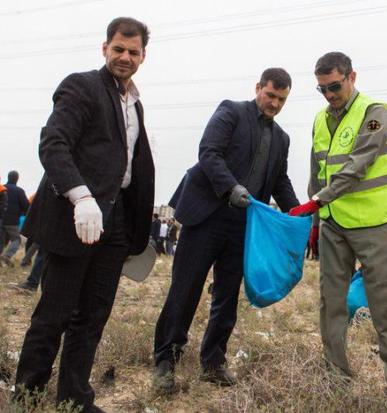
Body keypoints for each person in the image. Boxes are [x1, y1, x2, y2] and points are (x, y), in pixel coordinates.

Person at [13, 17, 154, 413]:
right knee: (53, 314)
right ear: (104, 48)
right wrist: (81, 197)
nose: (125, 57)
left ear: (144, 55)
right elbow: (53, 143)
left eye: (133, 51)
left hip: (116, 224)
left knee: (92, 317)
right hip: (77, 218)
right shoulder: (81, 86)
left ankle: (74, 400)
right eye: (118, 49)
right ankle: (27, 395)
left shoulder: (135, 104)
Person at [153, 68, 299, 393]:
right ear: (258, 87)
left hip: (243, 225)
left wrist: (297, 213)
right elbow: (209, 153)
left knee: (227, 294)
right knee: (186, 288)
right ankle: (165, 359)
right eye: (270, 95)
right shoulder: (231, 111)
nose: (274, 103)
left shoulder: (281, 138)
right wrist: (231, 187)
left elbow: (279, 180)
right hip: (208, 214)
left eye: (281, 99)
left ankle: (214, 362)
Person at [289, 52, 387, 397]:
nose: (329, 95)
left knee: (384, 304)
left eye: (334, 86)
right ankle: (336, 377)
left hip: (374, 224)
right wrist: (316, 217)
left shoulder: (376, 114)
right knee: (331, 301)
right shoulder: (320, 120)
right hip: (333, 225)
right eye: (322, 89)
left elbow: (358, 165)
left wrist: (318, 200)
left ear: (351, 77)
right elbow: (317, 172)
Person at [0, 171, 30, 267]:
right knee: (16, 239)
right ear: (17, 179)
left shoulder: (2, 189)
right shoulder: (19, 191)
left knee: (2, 240)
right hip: (11, 221)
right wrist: (23, 213)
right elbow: (26, 206)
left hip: (1, 218)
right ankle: (7, 256)